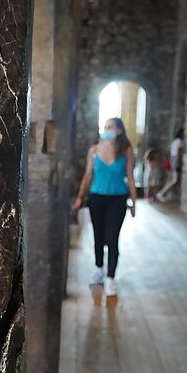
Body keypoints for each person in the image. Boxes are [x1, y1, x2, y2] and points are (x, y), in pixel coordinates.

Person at [73, 117, 137, 296]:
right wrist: (80, 197)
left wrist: (133, 202)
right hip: (97, 198)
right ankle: (99, 269)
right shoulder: (94, 150)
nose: (107, 129)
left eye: (111, 127)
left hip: (117, 199)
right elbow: (87, 175)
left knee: (112, 238)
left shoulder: (126, 150)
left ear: (119, 131)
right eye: (106, 126)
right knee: (98, 236)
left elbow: (130, 177)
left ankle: (110, 277)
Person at [155, 128, 184, 202]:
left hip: (172, 159)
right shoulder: (179, 141)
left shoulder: (174, 141)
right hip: (175, 160)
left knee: (175, 180)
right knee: (174, 180)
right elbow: (177, 152)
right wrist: (178, 160)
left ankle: (163, 193)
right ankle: (161, 193)